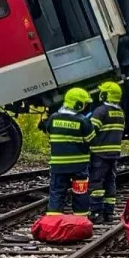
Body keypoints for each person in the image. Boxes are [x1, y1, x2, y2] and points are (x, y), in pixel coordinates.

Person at [46, 87, 95, 216]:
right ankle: (81, 220)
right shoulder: (83, 121)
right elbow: (90, 139)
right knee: (80, 193)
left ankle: (53, 221)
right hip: (79, 166)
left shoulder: (53, 118)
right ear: (78, 104)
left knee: (56, 193)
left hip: (58, 165)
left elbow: (49, 133)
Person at [86, 81, 125, 224]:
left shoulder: (101, 111)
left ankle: (97, 213)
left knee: (96, 183)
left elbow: (91, 131)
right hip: (113, 154)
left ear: (106, 95)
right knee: (110, 182)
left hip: (99, 154)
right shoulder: (120, 112)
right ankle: (109, 212)